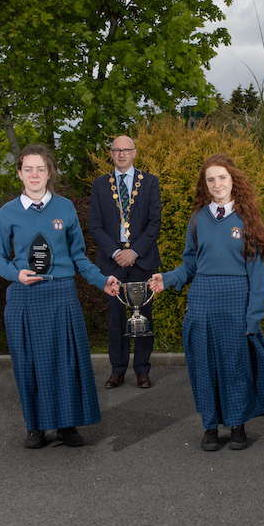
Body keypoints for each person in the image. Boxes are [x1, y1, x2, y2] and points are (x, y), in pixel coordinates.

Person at [149, 153, 264, 451]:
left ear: (233, 180)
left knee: (235, 365)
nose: (216, 184)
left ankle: (238, 425)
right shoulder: (198, 218)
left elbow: (259, 277)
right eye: (210, 179)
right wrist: (168, 278)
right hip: (202, 300)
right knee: (204, 365)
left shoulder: (246, 217)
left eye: (221, 177)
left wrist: (254, 318)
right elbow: (190, 266)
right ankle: (210, 427)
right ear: (205, 184)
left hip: (235, 300)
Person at [0, 145, 120, 449]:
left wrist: (101, 281)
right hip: (24, 295)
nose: (35, 175)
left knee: (66, 362)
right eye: (28, 169)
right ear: (19, 173)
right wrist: (15, 274)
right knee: (29, 363)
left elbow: (79, 256)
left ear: (50, 173)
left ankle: (67, 425)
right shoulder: (7, 212)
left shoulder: (65, 208)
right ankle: (36, 427)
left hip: (61, 293)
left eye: (41, 169)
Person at [88, 135, 162, 389]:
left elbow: (154, 223)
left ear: (134, 152)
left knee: (143, 316)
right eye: (117, 150)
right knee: (116, 319)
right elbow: (95, 226)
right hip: (112, 262)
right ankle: (117, 370)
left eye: (126, 150)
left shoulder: (150, 182)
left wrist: (135, 252)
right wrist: (115, 253)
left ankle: (142, 369)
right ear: (110, 153)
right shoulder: (99, 185)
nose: (121, 154)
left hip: (141, 260)